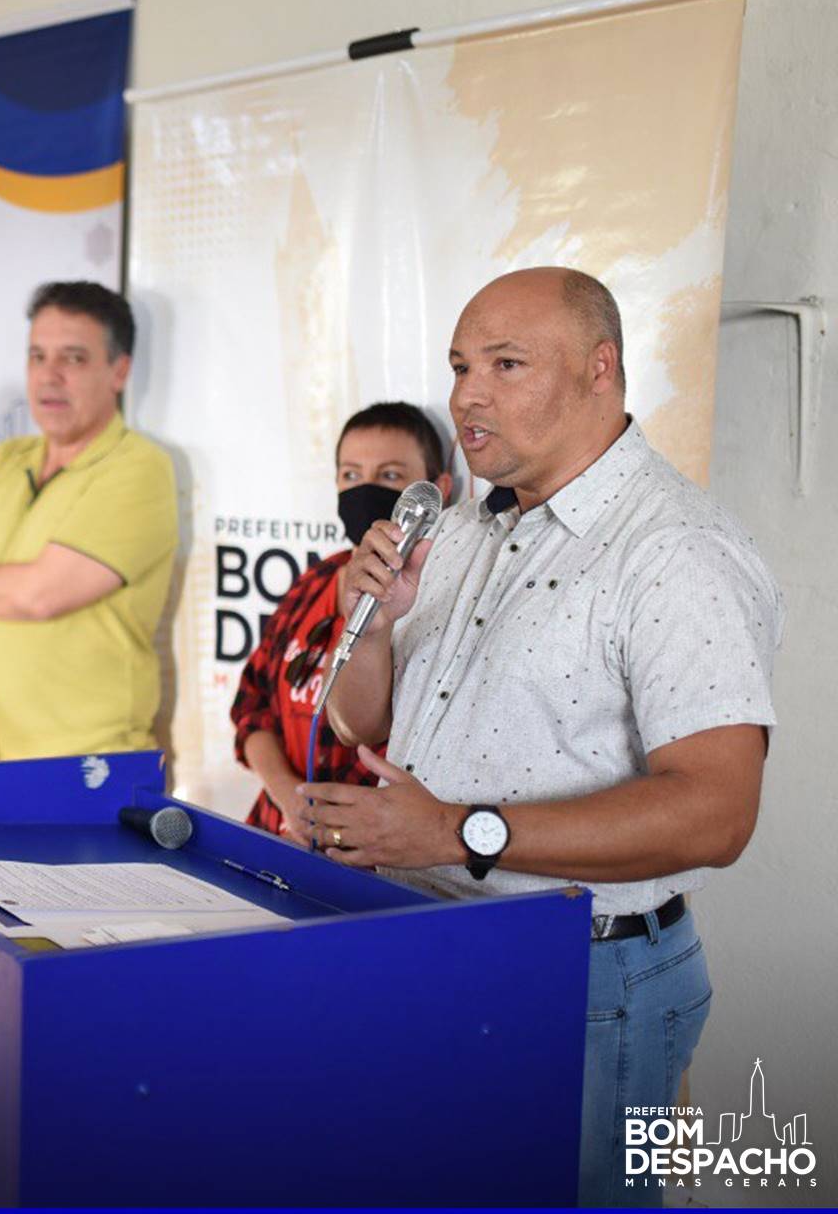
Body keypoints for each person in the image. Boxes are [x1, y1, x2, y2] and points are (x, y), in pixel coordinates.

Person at [315, 268, 782, 1207]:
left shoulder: (677, 551)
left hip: (586, 977)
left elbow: (718, 813)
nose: (467, 395)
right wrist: (369, 623)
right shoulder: (458, 531)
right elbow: (362, 725)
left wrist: (457, 831)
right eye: (459, 366)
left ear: (599, 369)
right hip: (435, 943)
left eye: (506, 364)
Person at [0, 282, 177, 763]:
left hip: (88, 769)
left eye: (73, 359)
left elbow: (39, 595)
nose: (49, 376)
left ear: (119, 371)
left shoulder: (139, 467)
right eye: (38, 357)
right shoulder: (1, 463)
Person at [230, 402, 452, 838]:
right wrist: (290, 797)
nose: (366, 490)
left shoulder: (435, 601)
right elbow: (251, 707)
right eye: (351, 475)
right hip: (274, 834)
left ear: (438, 489)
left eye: (390, 475)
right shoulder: (316, 580)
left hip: (368, 853)